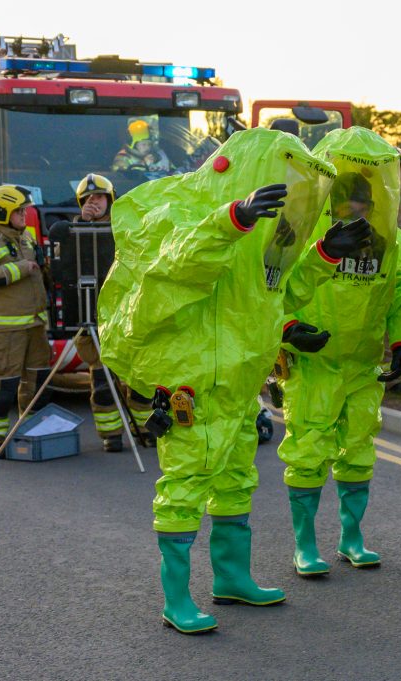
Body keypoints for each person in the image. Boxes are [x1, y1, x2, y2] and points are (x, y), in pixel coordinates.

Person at [98, 128, 372, 634]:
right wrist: (232, 220)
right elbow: (175, 270)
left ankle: (230, 579)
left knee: (234, 482)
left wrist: (322, 257)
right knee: (183, 486)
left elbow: (274, 294)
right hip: (193, 384)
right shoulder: (180, 212)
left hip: (241, 386)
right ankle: (176, 600)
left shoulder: (264, 231)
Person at [277, 127, 401, 576]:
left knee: (358, 450)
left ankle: (352, 538)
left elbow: (398, 299)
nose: (354, 211)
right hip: (315, 364)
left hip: (363, 365)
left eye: (363, 204)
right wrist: (289, 330)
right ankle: (305, 546)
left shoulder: (394, 246)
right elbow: (270, 290)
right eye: (345, 201)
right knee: (308, 450)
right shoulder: (297, 236)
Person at [68, 173, 154, 451]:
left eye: (99, 197)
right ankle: (111, 436)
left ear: (111, 199)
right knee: (102, 380)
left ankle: (145, 430)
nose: (94, 202)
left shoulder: (126, 227)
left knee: (140, 377)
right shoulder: (76, 230)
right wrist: (82, 222)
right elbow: (67, 265)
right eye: (88, 199)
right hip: (93, 315)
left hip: (127, 314)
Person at [0, 185, 50, 457]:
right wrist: (21, 268)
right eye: (19, 211)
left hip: (35, 325)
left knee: (36, 384)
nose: (24, 215)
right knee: (3, 386)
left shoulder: (26, 238)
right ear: (3, 212)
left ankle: (33, 434)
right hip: (6, 330)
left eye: (24, 210)